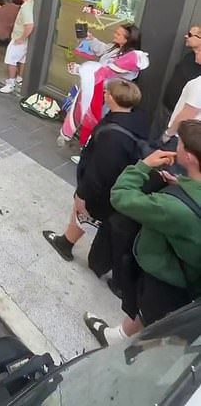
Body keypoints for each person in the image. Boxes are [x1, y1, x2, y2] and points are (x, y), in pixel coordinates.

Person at [84, 119, 201, 347]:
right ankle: (120, 337)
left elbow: (121, 196)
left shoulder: (172, 207)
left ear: (189, 157)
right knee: (149, 315)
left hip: (168, 279)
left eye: (180, 143)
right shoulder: (186, 195)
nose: (176, 145)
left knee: (152, 318)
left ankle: (133, 351)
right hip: (191, 281)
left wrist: (144, 165)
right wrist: (182, 186)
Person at [43, 79, 148, 283]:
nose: (104, 94)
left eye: (107, 92)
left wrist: (82, 195)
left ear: (112, 98)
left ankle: (65, 244)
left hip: (103, 189)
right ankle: (66, 242)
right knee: (88, 215)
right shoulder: (136, 120)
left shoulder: (113, 136)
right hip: (117, 185)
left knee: (83, 211)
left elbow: (99, 171)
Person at [59, 23, 149, 149]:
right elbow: (103, 49)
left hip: (110, 95)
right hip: (97, 89)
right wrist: (91, 40)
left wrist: (82, 70)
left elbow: (108, 73)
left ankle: (91, 147)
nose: (115, 35)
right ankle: (83, 142)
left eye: (118, 34)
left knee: (99, 120)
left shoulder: (130, 60)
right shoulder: (114, 47)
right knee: (87, 113)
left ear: (127, 39)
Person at [156, 26, 201, 135]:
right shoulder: (189, 56)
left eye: (190, 35)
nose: (186, 36)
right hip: (167, 108)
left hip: (180, 118)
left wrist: (170, 133)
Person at [0, 0, 35, 94]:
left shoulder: (25, 7)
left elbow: (30, 25)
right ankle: (19, 79)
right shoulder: (32, 3)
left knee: (11, 60)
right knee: (23, 60)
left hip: (20, 38)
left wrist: (21, 38)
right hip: (27, 39)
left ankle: (11, 84)